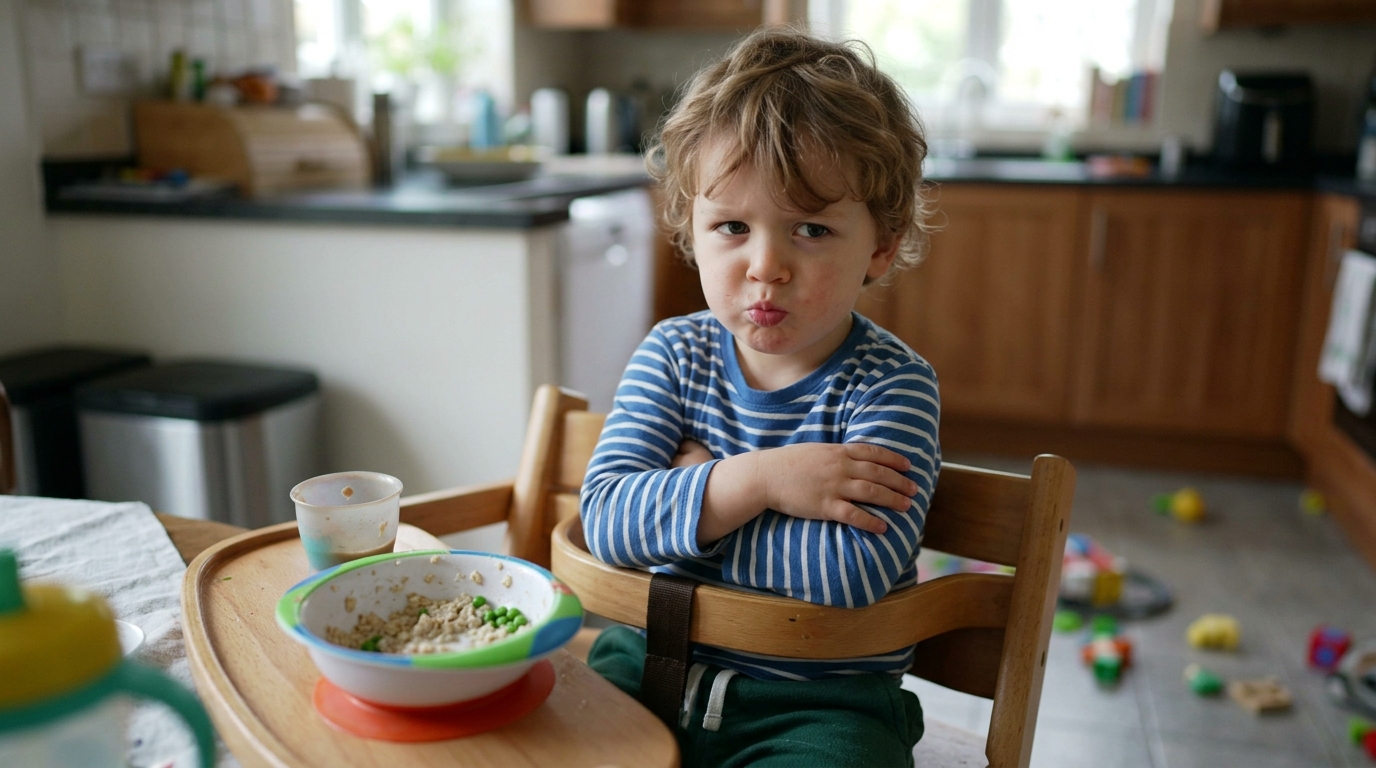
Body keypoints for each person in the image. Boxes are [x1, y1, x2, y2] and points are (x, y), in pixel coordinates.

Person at [580, 25, 939, 768]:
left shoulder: (891, 386)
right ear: (692, 228)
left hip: (820, 709)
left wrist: (687, 498)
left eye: (810, 228)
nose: (765, 267)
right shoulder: (674, 356)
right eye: (732, 227)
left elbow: (846, 578)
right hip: (648, 665)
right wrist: (760, 481)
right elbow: (608, 523)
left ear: (880, 241)